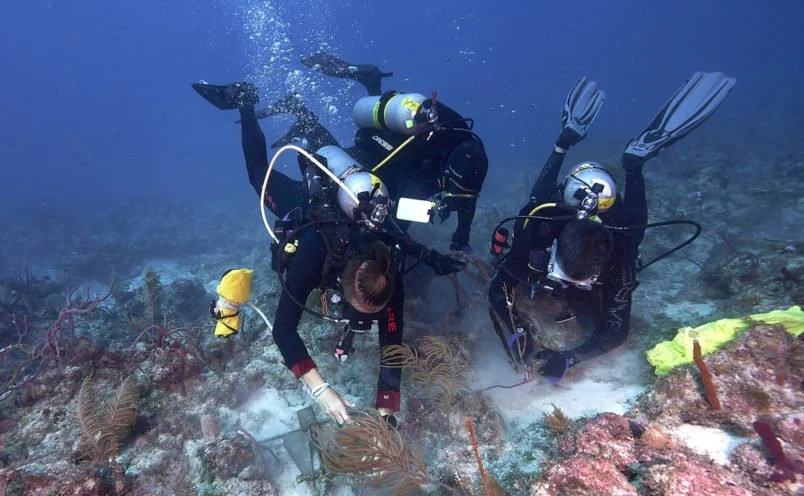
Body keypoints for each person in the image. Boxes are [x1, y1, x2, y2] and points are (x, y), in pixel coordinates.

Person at [191, 80, 465, 426]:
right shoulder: (314, 253)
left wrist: (387, 407)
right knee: (257, 175)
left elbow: (391, 339)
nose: (367, 319)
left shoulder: (387, 272)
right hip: (310, 208)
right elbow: (284, 330)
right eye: (359, 309)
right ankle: (245, 101)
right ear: (345, 285)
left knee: (358, 177)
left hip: (359, 205)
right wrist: (320, 390)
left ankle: (306, 120)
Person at [488, 72, 736, 379]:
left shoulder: (619, 261)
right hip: (558, 210)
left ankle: (635, 164)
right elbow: (497, 287)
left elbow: (615, 332)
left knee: (634, 227)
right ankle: (563, 143)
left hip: (618, 228)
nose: (568, 286)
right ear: (550, 254)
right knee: (538, 198)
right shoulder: (537, 237)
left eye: (582, 281)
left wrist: (570, 359)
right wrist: (517, 332)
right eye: (565, 276)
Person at [252, 52, 489, 253]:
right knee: (352, 172)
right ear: (446, 171)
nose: (457, 196)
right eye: (453, 189)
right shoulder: (428, 149)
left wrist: (462, 237)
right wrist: (396, 242)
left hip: (399, 145)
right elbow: (393, 209)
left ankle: (369, 81)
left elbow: (468, 197)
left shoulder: (470, 157)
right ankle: (305, 118)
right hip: (381, 148)